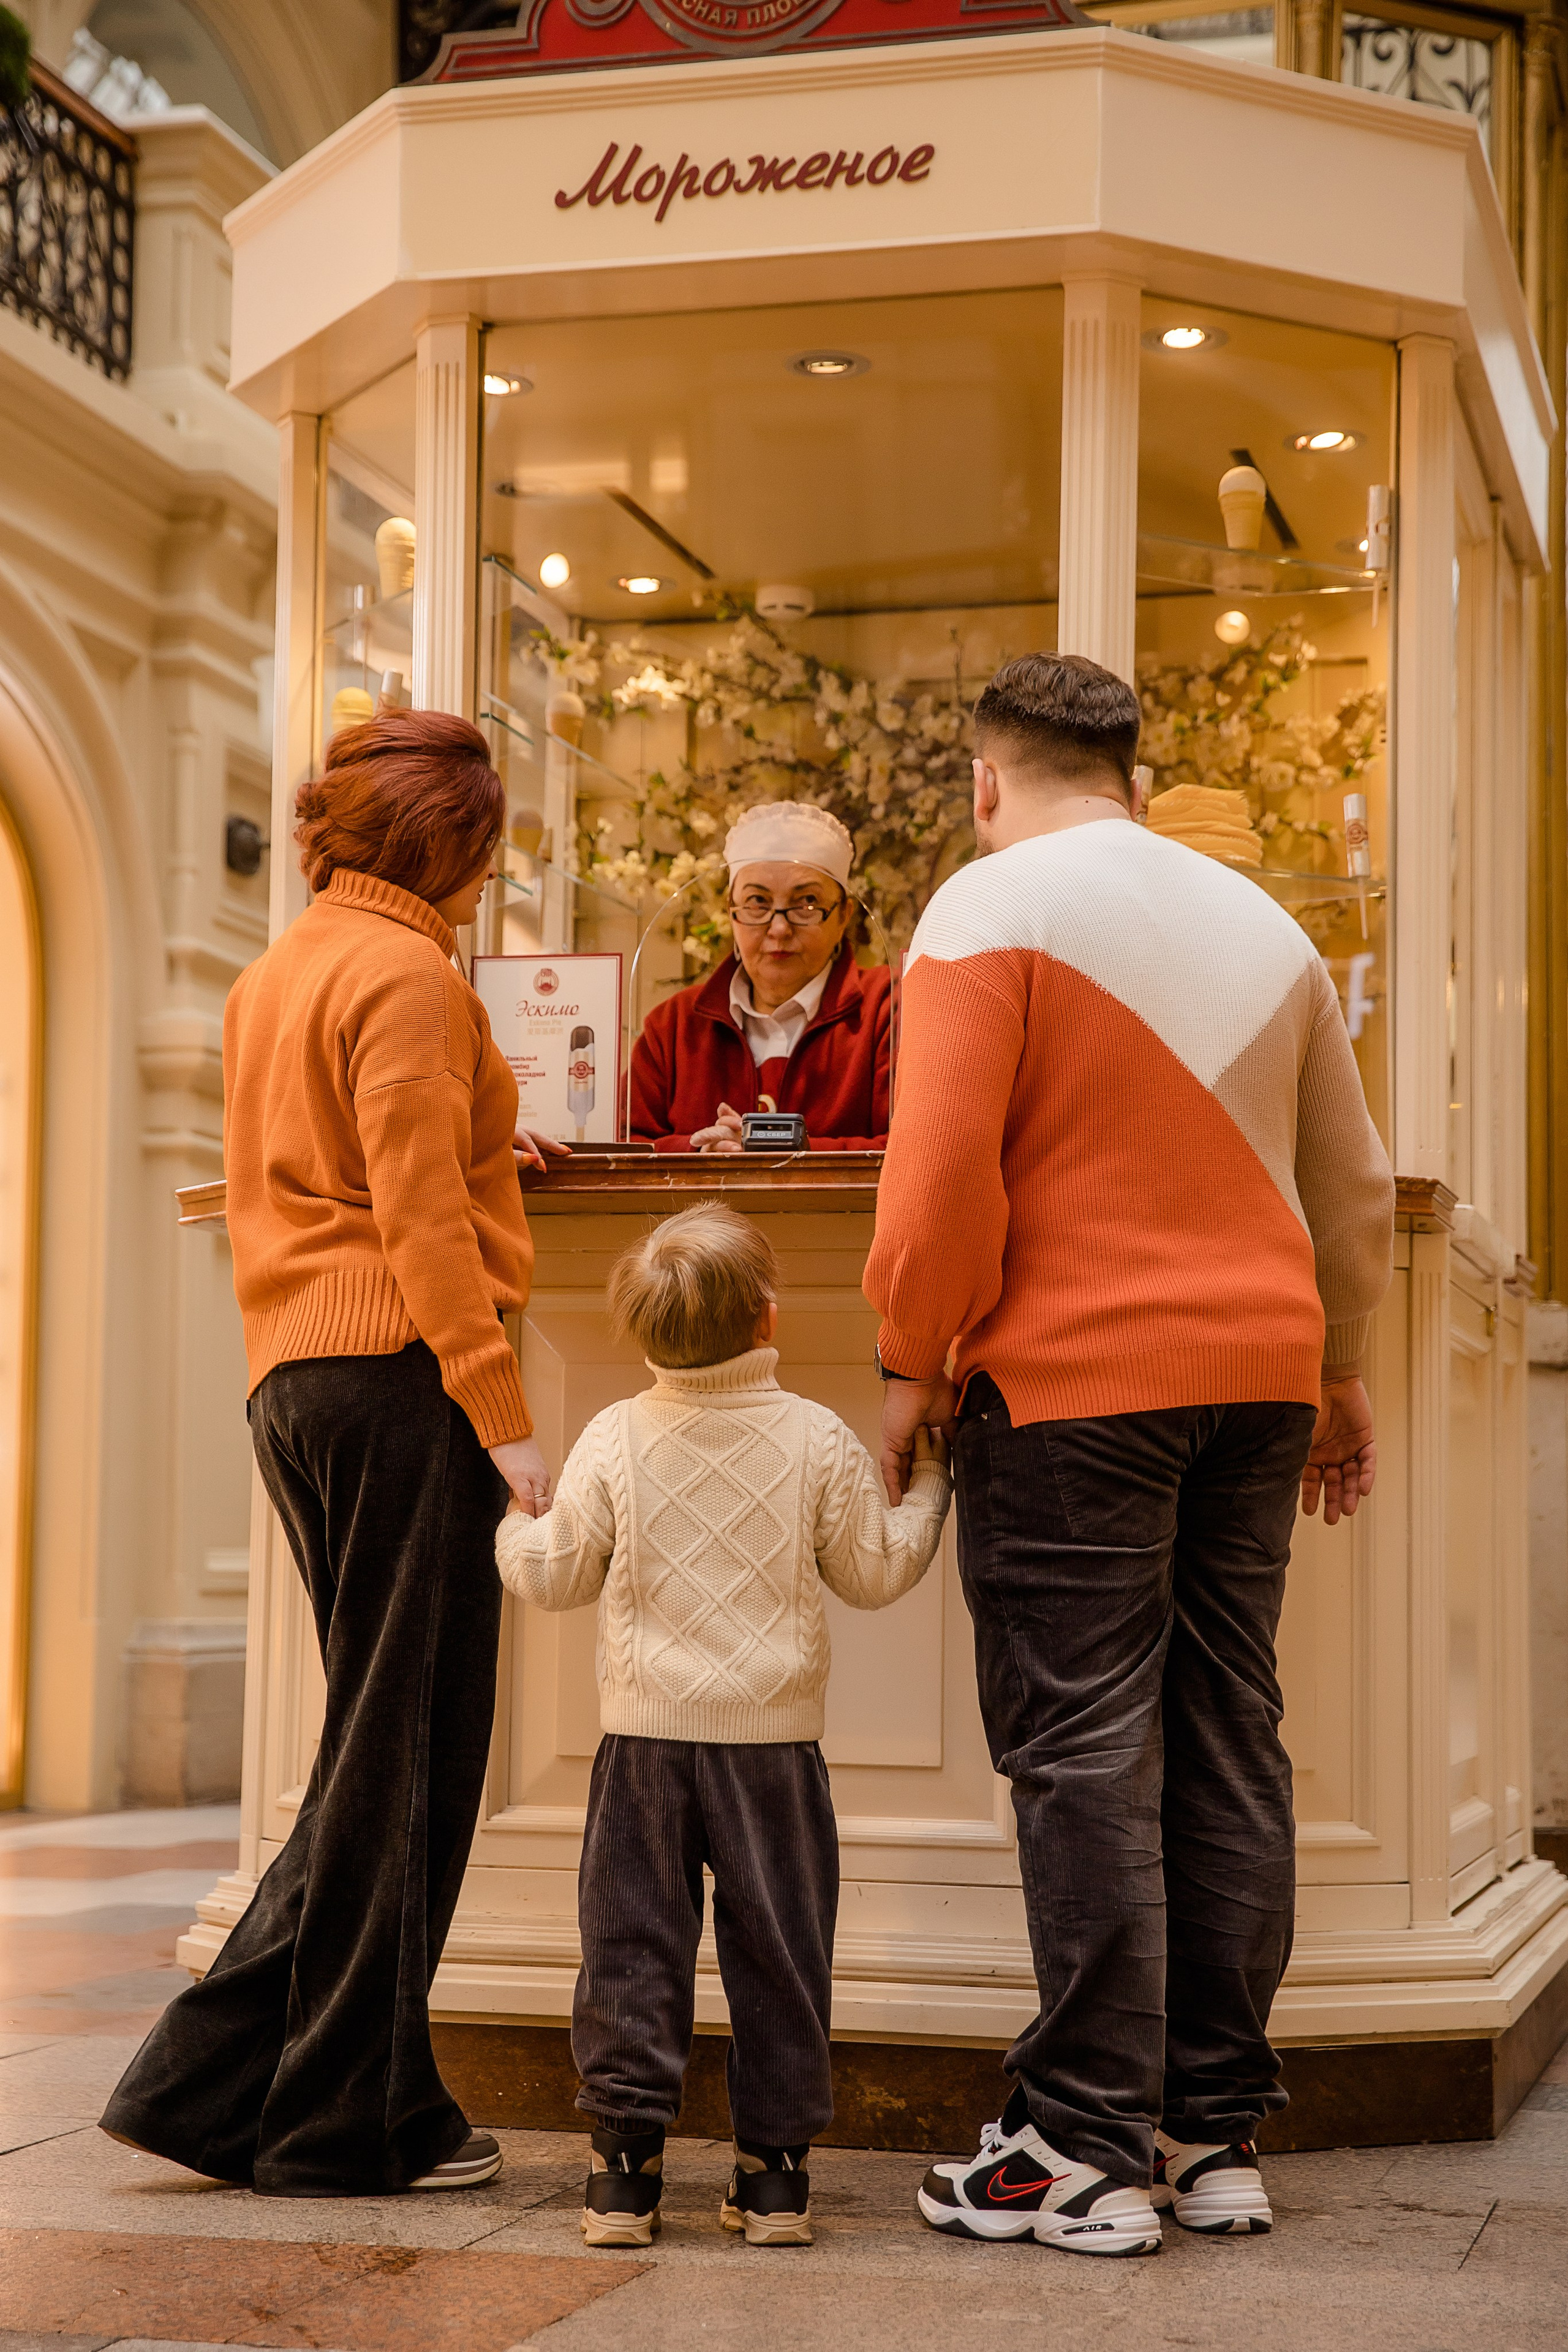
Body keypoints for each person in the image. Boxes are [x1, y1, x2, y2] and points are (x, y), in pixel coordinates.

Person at [864, 652, 1394, 2257]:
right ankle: (1211, 2133)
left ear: (984, 782)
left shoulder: (987, 906)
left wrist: (909, 1359)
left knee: (1082, 1750)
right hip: (1255, 1381)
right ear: (1137, 778)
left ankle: (1081, 2146)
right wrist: (1340, 1371)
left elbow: (944, 1178)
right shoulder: (1270, 927)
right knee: (1229, 1731)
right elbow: (1354, 1193)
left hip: (1074, 1388)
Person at [101, 710, 553, 2198]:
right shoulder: (408, 970)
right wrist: (502, 1413)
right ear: (445, 844)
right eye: (482, 843)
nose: (489, 872)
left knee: (384, 1752)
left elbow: (346, 1156)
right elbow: (417, 1218)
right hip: (399, 1377)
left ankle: (304, 2092)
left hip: (295, 1376)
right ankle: (320, 2116)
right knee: (401, 1757)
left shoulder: (279, 967)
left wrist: (497, 1140)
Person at [496, 1202, 949, 2247]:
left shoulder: (614, 1435)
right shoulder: (817, 1439)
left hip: (641, 1752)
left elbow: (556, 1575)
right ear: (769, 1316)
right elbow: (876, 1572)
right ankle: (776, 2179)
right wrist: (931, 1479)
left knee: (629, 1951)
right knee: (781, 1955)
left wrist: (517, 1518)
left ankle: (622, 2178)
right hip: (775, 1755)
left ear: (643, 1332)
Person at [629, 801, 891, 1152]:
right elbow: (623, 1144)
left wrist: (782, 1150)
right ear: (732, 912)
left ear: (844, 915)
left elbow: (914, 1146)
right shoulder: (673, 1026)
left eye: (807, 903)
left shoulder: (887, 1009)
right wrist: (702, 1152)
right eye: (757, 903)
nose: (779, 928)